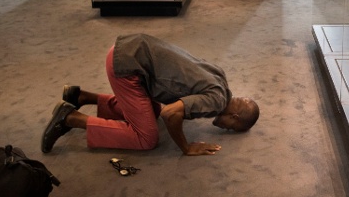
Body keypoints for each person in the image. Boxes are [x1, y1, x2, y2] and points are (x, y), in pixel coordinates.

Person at [41, 33, 259, 156]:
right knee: (146, 137)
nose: (223, 128)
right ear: (235, 117)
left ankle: (82, 97)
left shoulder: (221, 79)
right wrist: (186, 147)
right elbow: (171, 113)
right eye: (230, 127)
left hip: (129, 48)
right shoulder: (216, 101)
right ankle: (71, 118)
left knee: (152, 109)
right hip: (126, 68)